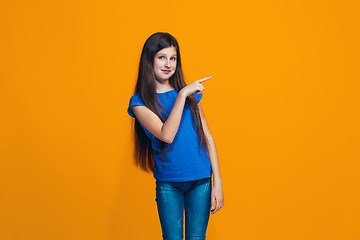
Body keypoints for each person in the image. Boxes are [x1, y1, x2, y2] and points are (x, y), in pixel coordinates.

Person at [127, 32, 224, 240]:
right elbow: (166, 135)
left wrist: (219, 183)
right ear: (149, 60)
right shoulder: (139, 102)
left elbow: (208, 138)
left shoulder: (191, 96)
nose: (168, 64)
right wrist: (181, 95)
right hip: (169, 182)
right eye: (162, 57)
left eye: (173, 58)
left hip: (201, 179)